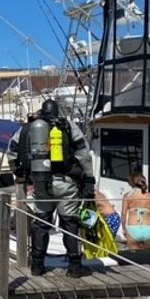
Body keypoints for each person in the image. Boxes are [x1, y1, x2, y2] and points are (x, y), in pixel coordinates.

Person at [10, 99, 95, 278]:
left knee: (41, 224)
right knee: (69, 224)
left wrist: (19, 173)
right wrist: (89, 180)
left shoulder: (29, 128)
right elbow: (84, 155)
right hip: (65, 183)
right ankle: (75, 267)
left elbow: (12, 150)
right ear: (58, 112)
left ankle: (37, 266)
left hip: (40, 183)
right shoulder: (68, 126)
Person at [121, 173, 150, 250]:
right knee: (148, 257)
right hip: (149, 229)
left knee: (134, 257)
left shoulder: (127, 196)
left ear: (132, 183)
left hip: (133, 229)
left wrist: (123, 229)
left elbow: (124, 214)